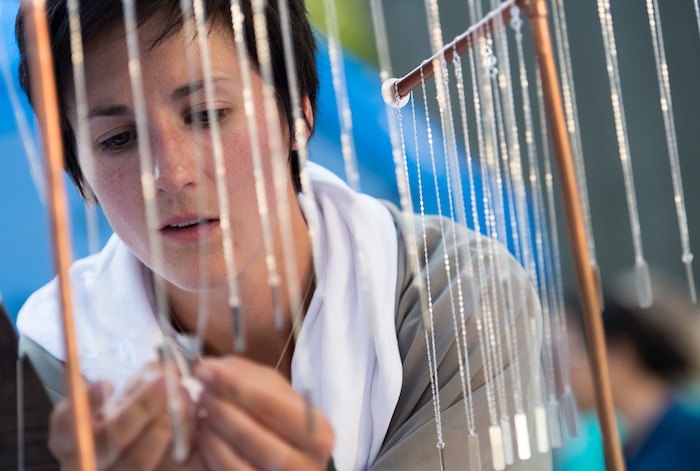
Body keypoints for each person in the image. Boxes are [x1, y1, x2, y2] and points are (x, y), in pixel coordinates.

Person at [14, 0, 549, 469]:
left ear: (298, 112)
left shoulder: (457, 301)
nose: (169, 174)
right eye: (117, 139)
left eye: (206, 114)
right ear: (76, 168)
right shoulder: (46, 370)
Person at [564, 269, 700, 471]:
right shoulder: (625, 449)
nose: (563, 372)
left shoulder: (692, 437)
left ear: (617, 357)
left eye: (570, 353)